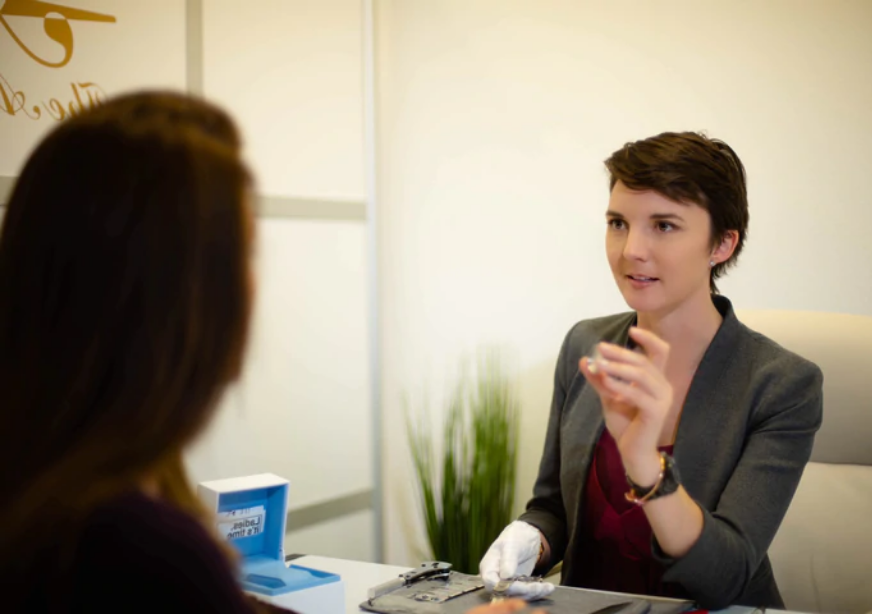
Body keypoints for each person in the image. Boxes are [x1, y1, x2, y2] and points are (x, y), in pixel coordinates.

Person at [0, 90, 541, 614]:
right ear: (177, 299)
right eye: (246, 254)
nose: (255, 286)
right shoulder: (135, 549)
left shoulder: (62, 493)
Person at [479, 132, 823, 610]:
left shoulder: (781, 385)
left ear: (722, 244)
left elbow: (724, 579)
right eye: (618, 223)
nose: (631, 250)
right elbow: (553, 508)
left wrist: (645, 462)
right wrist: (532, 538)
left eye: (664, 226)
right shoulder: (587, 345)